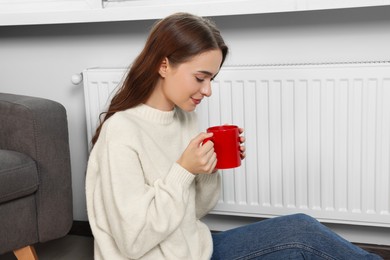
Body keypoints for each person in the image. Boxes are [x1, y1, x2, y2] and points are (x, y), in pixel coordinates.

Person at [85, 12, 382, 260]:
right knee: (301, 241)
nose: (207, 90)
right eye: (200, 78)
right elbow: (132, 242)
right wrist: (183, 170)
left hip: (196, 250)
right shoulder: (122, 131)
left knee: (301, 229)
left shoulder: (183, 118)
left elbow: (195, 211)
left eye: (211, 79)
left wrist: (209, 169)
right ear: (164, 65)